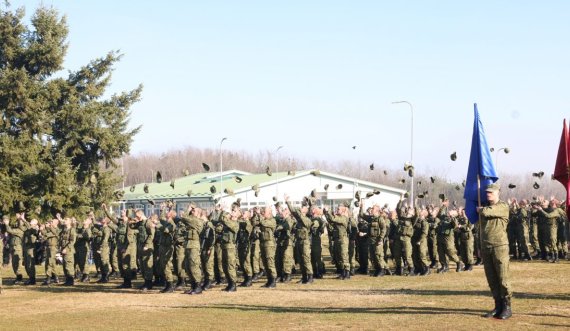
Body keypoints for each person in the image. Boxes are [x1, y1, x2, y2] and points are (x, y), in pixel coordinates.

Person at [477, 183, 512, 320]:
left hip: (499, 246)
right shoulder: (485, 207)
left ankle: (507, 307)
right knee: (492, 279)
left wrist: (480, 209)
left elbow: (487, 211)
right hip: (486, 246)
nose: (488, 194)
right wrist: (479, 247)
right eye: (487, 192)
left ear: (498, 193)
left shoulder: (502, 207)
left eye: (491, 192)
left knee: (503, 278)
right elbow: (481, 230)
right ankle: (498, 306)